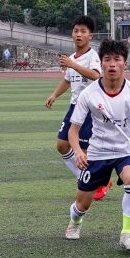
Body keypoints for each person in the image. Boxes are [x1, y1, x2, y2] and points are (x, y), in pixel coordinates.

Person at [64, 39, 130, 254]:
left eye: (117, 59)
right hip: (98, 152)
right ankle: (75, 222)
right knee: (82, 205)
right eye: (107, 59)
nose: (112, 64)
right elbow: (73, 130)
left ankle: (127, 234)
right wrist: (79, 151)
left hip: (127, 151)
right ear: (101, 63)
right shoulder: (88, 94)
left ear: (124, 64)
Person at [44, 15, 102, 185]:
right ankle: (84, 177)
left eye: (83, 31)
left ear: (90, 36)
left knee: (83, 151)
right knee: (62, 145)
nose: (79, 34)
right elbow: (67, 80)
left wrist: (72, 64)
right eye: (76, 31)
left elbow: (96, 76)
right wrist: (54, 95)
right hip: (74, 107)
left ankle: (94, 182)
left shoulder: (93, 56)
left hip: (89, 110)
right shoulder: (72, 58)